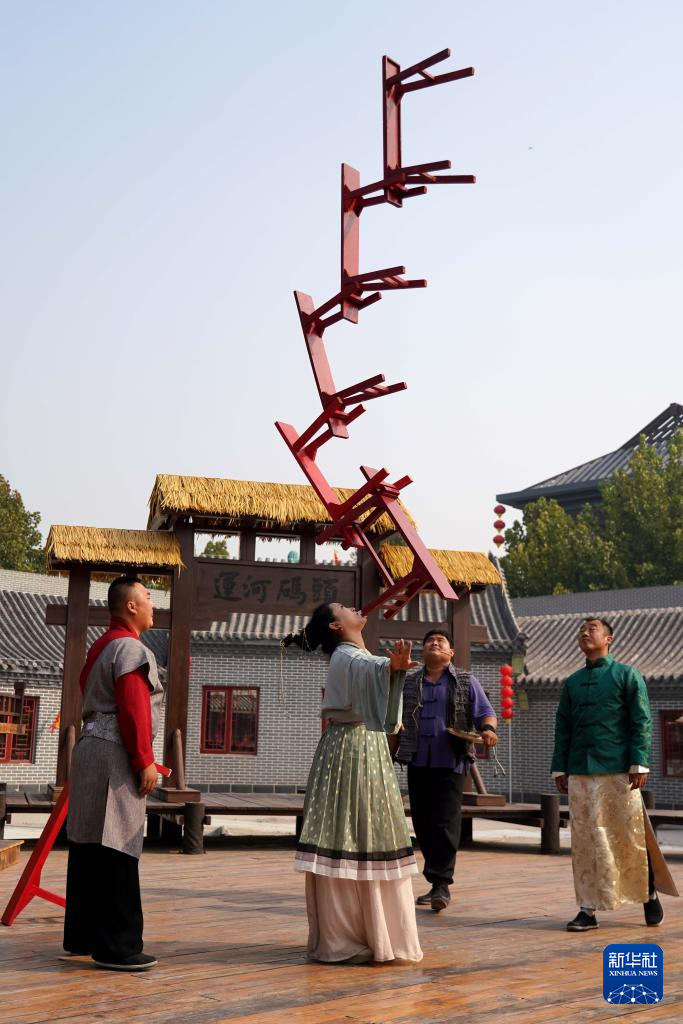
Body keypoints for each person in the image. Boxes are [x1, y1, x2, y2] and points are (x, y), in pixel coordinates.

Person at [283, 603, 423, 964]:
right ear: (335, 625)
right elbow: (369, 669)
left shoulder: (356, 656)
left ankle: (359, 933)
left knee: (360, 831)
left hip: (360, 746)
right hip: (353, 747)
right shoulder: (347, 656)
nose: (354, 607)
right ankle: (355, 935)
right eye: (344, 607)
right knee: (356, 832)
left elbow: (374, 678)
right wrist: (390, 668)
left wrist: (392, 671)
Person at [62, 575, 164, 970]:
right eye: (148, 597)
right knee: (118, 842)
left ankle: (83, 935)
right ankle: (118, 947)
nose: (154, 604)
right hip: (115, 752)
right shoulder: (130, 648)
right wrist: (144, 760)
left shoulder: (100, 647)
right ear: (131, 606)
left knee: (88, 842)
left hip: (89, 748)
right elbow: (134, 707)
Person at [551, 617, 663, 932]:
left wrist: (639, 763)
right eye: (581, 630)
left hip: (619, 770)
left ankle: (648, 893)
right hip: (579, 770)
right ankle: (587, 909)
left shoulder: (627, 675)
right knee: (585, 840)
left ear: (608, 639)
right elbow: (563, 727)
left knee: (627, 837)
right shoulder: (572, 682)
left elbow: (642, 721)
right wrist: (560, 766)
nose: (585, 633)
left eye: (592, 629)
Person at [395, 629, 498, 912]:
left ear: (451, 652)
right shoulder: (410, 682)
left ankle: (441, 884)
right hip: (418, 760)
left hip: (451, 761)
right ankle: (434, 881)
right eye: (430, 641)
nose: (435, 643)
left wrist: (488, 729)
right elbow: (393, 715)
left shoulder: (465, 680)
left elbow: (486, 713)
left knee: (446, 822)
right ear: (423, 650)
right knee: (422, 822)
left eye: (441, 641)